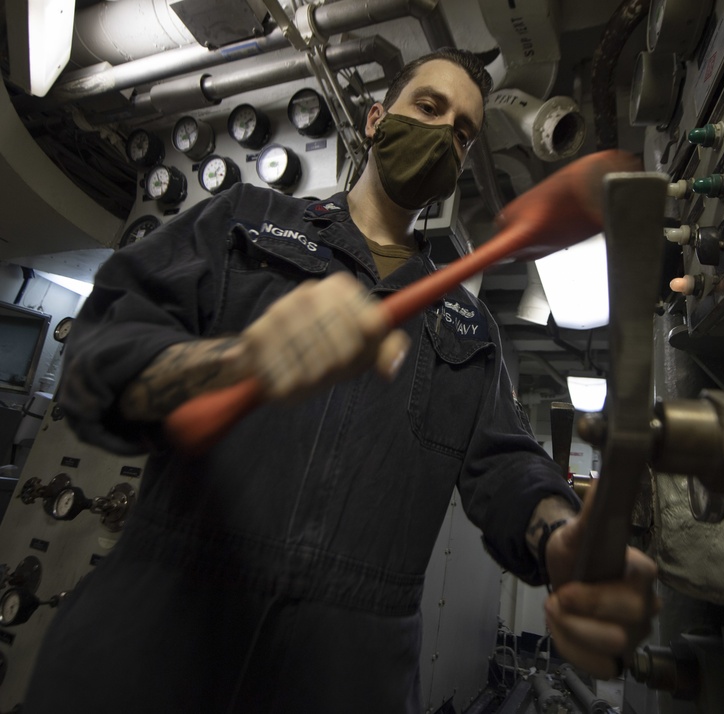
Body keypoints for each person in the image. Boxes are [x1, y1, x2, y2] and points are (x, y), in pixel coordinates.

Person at [24, 48, 658, 712]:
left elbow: (506, 467)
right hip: (150, 651)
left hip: (347, 678)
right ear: (376, 120)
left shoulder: (468, 325)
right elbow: (101, 355)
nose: (445, 135)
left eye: (464, 132)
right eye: (429, 108)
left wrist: (562, 540)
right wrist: (235, 361)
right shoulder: (245, 221)